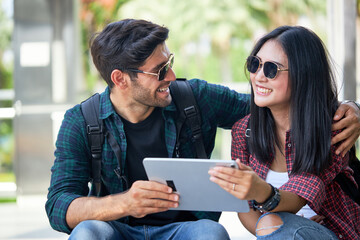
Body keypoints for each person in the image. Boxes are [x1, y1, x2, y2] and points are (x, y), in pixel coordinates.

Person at [45, 19, 360, 239]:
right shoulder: (82, 122)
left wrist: (351, 108)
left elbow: (274, 106)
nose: (172, 75)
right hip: (116, 228)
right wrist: (124, 203)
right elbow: (59, 206)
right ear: (120, 79)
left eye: (170, 62)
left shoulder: (195, 98)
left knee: (210, 233)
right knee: (87, 231)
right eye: (160, 71)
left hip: (185, 230)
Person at [209, 26, 360, 239]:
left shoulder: (333, 128)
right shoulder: (244, 131)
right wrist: (276, 232)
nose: (259, 77)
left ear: (303, 75)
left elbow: (300, 195)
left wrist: (260, 191)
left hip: (331, 233)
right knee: (272, 224)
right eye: (255, 64)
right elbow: (245, 209)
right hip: (272, 233)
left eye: (272, 69)